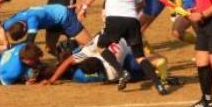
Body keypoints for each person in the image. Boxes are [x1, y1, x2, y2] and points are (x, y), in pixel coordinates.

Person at [78, 0, 167, 95]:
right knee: (140, 56)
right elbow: (141, 3)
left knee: (100, 46)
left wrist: (84, 8)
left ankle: (122, 73)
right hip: (132, 19)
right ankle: (159, 85)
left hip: (115, 18)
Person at [44, 33, 174, 86]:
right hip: (125, 37)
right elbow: (69, 61)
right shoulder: (90, 50)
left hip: (129, 50)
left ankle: (156, 67)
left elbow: (68, 62)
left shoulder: (111, 72)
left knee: (134, 70)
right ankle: (154, 60)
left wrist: (52, 79)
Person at [3, 4, 92, 56]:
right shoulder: (9, 23)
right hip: (51, 22)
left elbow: (29, 41)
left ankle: (100, 59)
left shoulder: (33, 20)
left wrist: (8, 47)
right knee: (50, 49)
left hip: (64, 16)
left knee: (90, 44)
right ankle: (67, 60)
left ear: (25, 29)